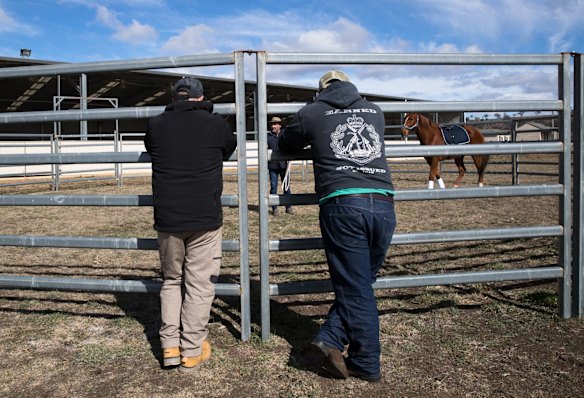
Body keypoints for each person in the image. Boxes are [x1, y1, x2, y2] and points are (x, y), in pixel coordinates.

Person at [278, 70, 397, 383]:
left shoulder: (311, 112)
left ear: (321, 90)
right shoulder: (376, 110)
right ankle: (330, 337)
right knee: (361, 281)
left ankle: (366, 362)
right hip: (383, 202)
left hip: (343, 202)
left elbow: (286, 140)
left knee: (356, 287)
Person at [144, 77, 237, 373]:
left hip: (168, 217)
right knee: (199, 285)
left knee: (172, 280)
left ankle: (170, 346)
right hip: (204, 218)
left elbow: (150, 145)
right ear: (199, 98)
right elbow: (229, 147)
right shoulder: (216, 124)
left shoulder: (156, 124)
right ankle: (192, 350)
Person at [267, 116, 294, 216]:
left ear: (280, 125)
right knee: (273, 186)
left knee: (286, 186)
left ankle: (288, 206)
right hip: (273, 166)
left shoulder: (285, 135)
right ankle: (274, 208)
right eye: (272, 124)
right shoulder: (268, 137)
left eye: (275, 124)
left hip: (284, 165)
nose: (273, 126)